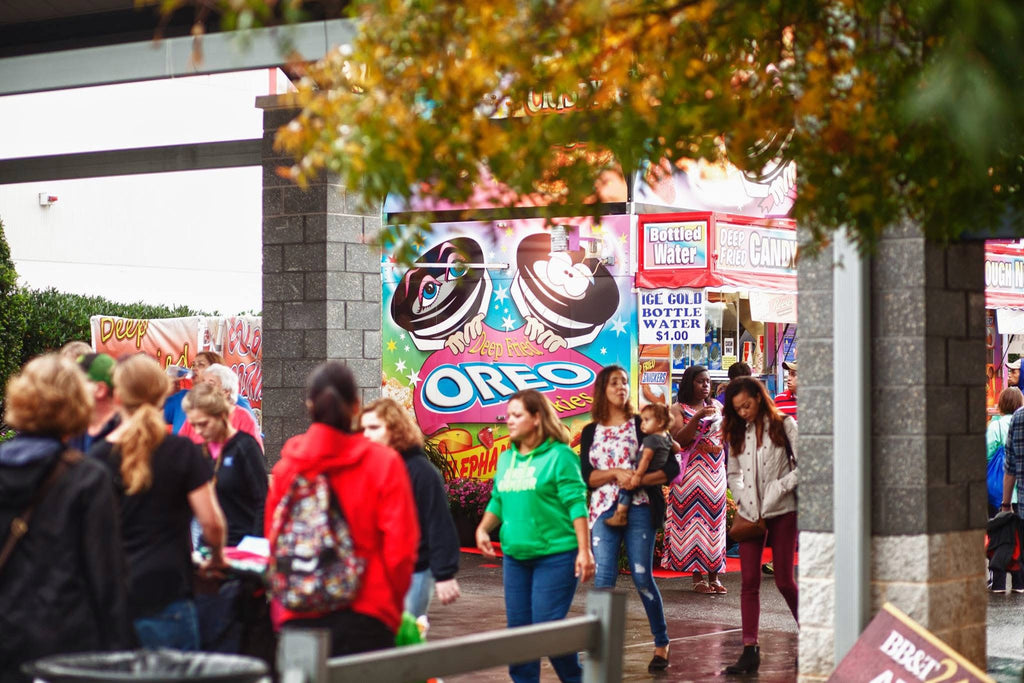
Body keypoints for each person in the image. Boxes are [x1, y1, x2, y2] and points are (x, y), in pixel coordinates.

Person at [267, 361, 419, 656]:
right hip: (368, 613)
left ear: (309, 405)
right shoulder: (383, 464)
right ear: (356, 406)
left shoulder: (287, 469)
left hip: (299, 612)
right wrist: (391, 605)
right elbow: (401, 548)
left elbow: (274, 538)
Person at [0, 355, 131, 683]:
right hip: (66, 648)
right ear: (77, 405)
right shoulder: (86, 478)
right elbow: (106, 578)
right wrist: (120, 655)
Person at [89, 353, 228, 650]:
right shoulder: (182, 451)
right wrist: (215, 560)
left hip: (114, 598)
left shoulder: (97, 457)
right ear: (162, 392)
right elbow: (211, 522)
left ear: (117, 397)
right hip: (169, 594)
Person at [476, 389, 594, 683]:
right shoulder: (506, 459)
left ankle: (576, 679)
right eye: (508, 416)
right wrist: (482, 528)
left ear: (537, 418)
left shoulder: (560, 455)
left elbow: (576, 502)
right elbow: (498, 500)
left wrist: (584, 550)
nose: (510, 422)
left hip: (556, 555)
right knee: (519, 632)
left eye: (517, 416)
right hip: (516, 556)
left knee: (546, 627)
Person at [580, 365, 679, 674]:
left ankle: (661, 643)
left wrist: (640, 479)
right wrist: (615, 473)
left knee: (641, 576)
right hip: (602, 510)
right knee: (604, 579)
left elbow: (672, 468)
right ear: (602, 390)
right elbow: (588, 476)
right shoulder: (590, 431)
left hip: (639, 507)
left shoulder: (642, 425)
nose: (621, 387)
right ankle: (599, 648)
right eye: (614, 383)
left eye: (624, 382)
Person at [722, 376, 799, 675]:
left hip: (783, 510)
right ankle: (749, 649)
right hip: (751, 514)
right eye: (737, 408)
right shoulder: (737, 432)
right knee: (748, 581)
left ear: (759, 397)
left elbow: (807, 464)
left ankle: (812, 635)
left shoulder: (784, 424)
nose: (743, 412)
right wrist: (745, 500)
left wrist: (780, 487)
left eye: (747, 405)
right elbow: (733, 473)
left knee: (783, 580)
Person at [361, 398, 461, 618]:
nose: (366, 434)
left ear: (395, 429)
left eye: (374, 427)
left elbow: (439, 523)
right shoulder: (372, 468)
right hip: (377, 569)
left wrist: (444, 573)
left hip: (414, 570)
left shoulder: (421, 471)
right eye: (364, 428)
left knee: (404, 638)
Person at [663, 364, 727, 595]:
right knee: (694, 523)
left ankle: (715, 575)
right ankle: (697, 576)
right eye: (701, 381)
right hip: (691, 473)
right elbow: (679, 439)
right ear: (690, 383)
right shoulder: (677, 409)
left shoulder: (717, 406)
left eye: (708, 381)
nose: (706, 386)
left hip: (715, 470)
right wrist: (697, 418)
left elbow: (725, 434)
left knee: (714, 523)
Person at [183, 382, 267, 546]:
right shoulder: (200, 451)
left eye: (204, 424)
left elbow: (262, 500)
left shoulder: (245, 447)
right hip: (208, 545)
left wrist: (255, 545)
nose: (198, 431)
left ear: (221, 416)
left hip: (242, 544)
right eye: (193, 426)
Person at [605, 402, 673, 527]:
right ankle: (659, 519)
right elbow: (677, 448)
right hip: (654, 475)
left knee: (627, 490)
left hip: (646, 476)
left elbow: (646, 460)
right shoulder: (664, 437)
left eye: (646, 420)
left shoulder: (650, 437)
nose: (643, 424)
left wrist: (637, 476)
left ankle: (620, 514)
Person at [180, 363, 263, 450]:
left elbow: (255, 453)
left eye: (211, 384)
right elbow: (179, 450)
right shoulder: (196, 413)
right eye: (203, 381)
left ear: (226, 392)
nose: (204, 386)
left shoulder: (242, 416)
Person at [988, 387, 1024, 592]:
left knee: (1001, 536)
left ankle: (998, 583)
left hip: (999, 492)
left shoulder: (996, 426)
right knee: (1021, 536)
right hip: (1022, 494)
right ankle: (1020, 583)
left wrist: (1004, 502)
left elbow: (984, 452)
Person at [67, 352, 121, 452]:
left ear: (100, 390)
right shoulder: (73, 430)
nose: (70, 388)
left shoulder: (124, 432)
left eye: (77, 382)